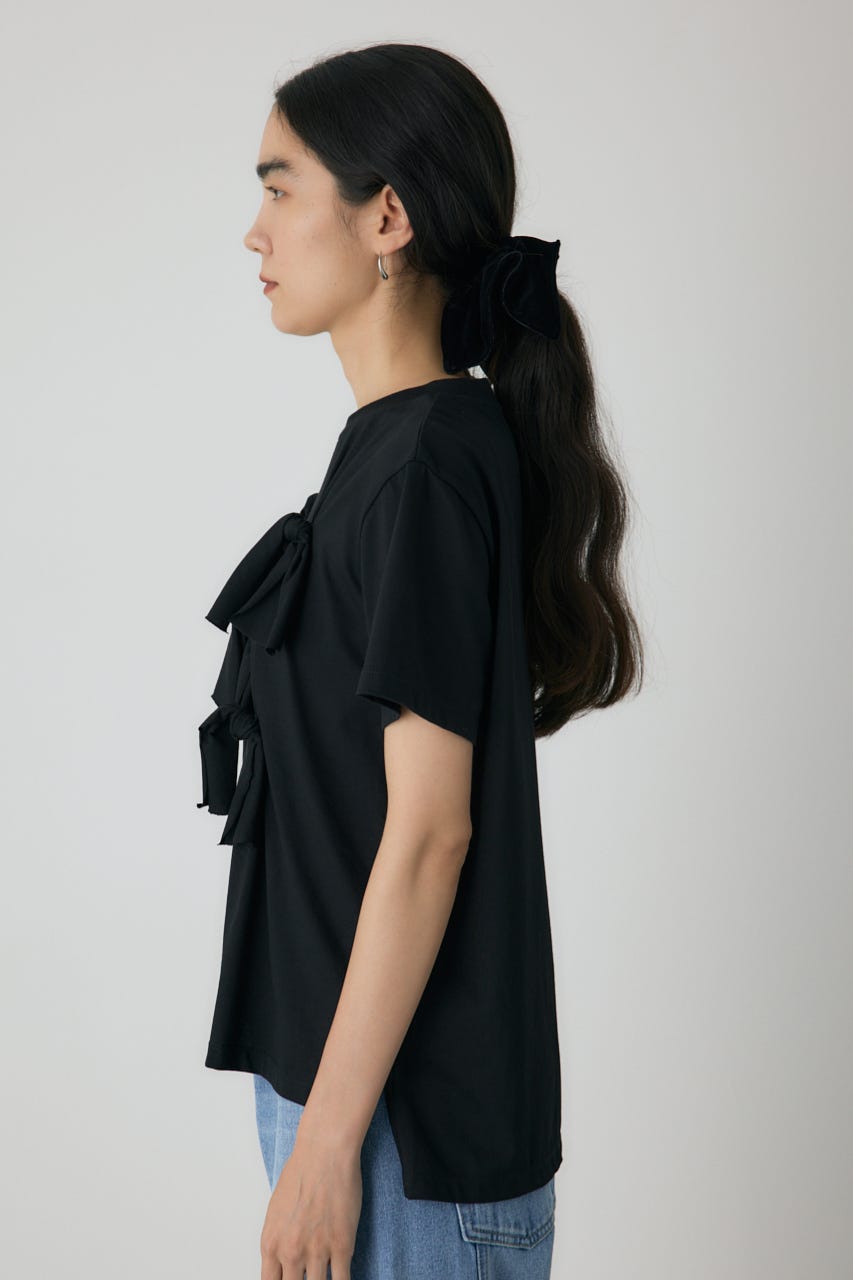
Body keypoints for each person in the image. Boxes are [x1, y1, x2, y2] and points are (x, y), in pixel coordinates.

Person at [196, 41, 644, 1280]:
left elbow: (431, 828)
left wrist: (330, 1145)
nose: (254, 230)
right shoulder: (390, 450)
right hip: (355, 1099)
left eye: (280, 187)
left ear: (385, 217)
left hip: (402, 1138)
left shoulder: (432, 459)